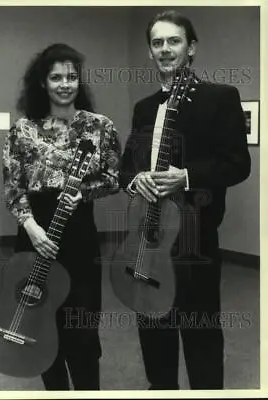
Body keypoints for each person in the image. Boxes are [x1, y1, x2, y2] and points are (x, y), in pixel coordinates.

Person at [119, 10, 251, 389]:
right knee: (153, 329)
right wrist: (136, 180)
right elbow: (127, 168)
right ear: (150, 51)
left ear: (191, 48)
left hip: (196, 240)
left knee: (201, 334)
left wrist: (187, 177)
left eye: (173, 40)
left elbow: (237, 165)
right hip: (146, 238)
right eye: (157, 42)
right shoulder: (144, 108)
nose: (165, 49)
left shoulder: (221, 98)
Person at [2, 43, 121, 390]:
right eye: (56, 77)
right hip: (34, 234)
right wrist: (31, 227)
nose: (65, 84)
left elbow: (114, 178)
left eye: (71, 76)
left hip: (79, 233)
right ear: (43, 82)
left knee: (82, 330)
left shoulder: (100, 126)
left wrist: (83, 193)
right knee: (40, 325)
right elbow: (13, 187)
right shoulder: (22, 130)